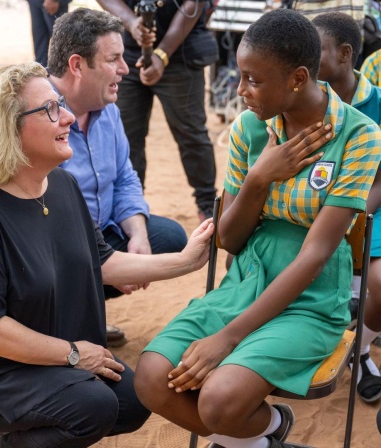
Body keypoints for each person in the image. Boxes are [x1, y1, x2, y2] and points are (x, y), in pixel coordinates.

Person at [0, 62, 215, 448]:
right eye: (50, 109)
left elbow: (103, 262)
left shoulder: (60, 184)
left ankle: (30, 427)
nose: (67, 117)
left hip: (37, 349)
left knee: (131, 402)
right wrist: (71, 355)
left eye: (61, 103)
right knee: (92, 405)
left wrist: (189, 259)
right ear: (6, 128)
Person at [134, 9, 381, 448]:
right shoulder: (251, 127)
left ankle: (256, 433)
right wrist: (258, 178)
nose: (241, 91)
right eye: (240, 76)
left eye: (253, 79)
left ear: (298, 78)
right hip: (246, 280)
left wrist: (227, 338)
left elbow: (316, 253)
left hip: (312, 294)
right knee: (152, 379)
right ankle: (263, 438)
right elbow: (228, 239)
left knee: (218, 401)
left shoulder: (359, 135)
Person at [47, 7, 189, 347]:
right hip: (54, 248)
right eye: (114, 60)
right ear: (77, 65)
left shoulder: (108, 108)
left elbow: (125, 176)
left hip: (96, 237)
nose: (124, 70)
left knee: (165, 236)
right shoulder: (38, 114)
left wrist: (137, 236)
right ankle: (61, 325)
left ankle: (84, 311)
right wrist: (116, 264)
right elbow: (52, 224)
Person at [96, 0, 219, 222]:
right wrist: (132, 23)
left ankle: (208, 207)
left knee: (190, 134)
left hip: (181, 51)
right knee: (125, 137)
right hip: (128, 52)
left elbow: (195, 3)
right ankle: (129, 208)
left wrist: (162, 55)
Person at [312, 11, 381, 404]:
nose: (305, 58)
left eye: (315, 50)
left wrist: (350, 213)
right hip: (312, 205)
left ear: (344, 53)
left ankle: (362, 348)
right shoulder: (304, 98)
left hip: (370, 204)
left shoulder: (378, 103)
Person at [26, 0, 71, 67]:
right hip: (35, 2)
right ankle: (41, 72)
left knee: (60, 43)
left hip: (54, 3)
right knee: (40, 46)